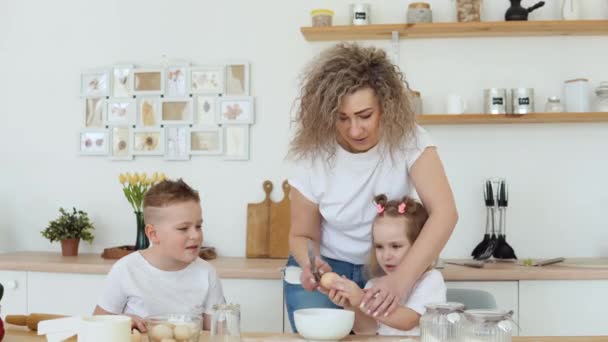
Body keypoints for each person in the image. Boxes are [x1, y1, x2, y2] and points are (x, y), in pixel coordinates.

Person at [285, 43, 458, 331]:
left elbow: (445, 213)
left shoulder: (409, 139)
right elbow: (302, 234)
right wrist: (314, 265)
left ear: (385, 108)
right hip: (329, 266)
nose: (354, 130)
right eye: (342, 118)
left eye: (365, 115)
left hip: (386, 266)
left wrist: (401, 280)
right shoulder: (312, 154)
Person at [93, 179, 225, 332]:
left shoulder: (206, 273)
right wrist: (121, 321)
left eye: (198, 226)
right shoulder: (126, 269)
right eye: (183, 228)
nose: (195, 235)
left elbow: (218, 333)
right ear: (153, 234)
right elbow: (96, 325)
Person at [327, 195, 446, 336]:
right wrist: (351, 305)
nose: (386, 255)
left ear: (418, 246)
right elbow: (366, 331)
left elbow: (408, 321)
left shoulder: (430, 280)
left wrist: (362, 300)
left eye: (395, 246)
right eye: (379, 246)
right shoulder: (374, 285)